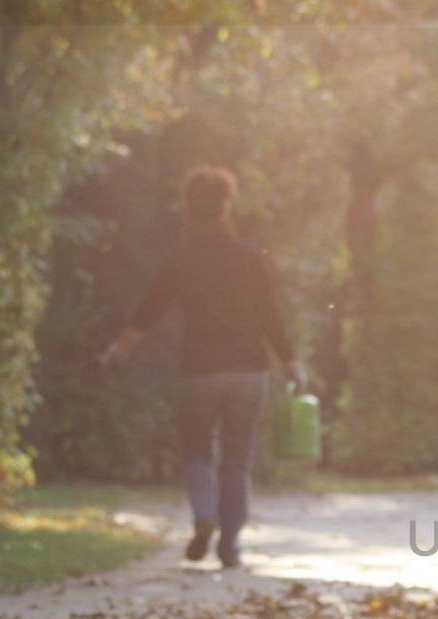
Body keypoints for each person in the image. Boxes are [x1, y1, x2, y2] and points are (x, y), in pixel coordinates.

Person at [100, 165, 303, 569]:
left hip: (200, 372)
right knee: (237, 459)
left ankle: (205, 514)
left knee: (197, 452)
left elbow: (148, 311)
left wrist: (118, 351)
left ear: (188, 210)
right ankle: (230, 542)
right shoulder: (248, 259)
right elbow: (269, 316)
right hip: (249, 371)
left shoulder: (180, 260)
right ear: (226, 207)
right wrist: (292, 362)